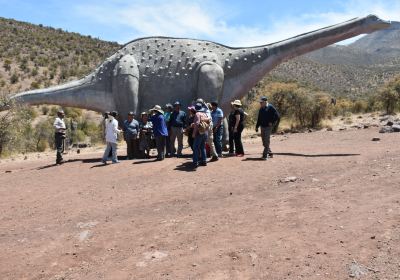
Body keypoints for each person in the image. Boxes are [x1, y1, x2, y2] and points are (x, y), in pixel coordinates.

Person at [192, 102, 210, 169]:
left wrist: (194, 133)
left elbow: (197, 123)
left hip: (199, 133)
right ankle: (204, 161)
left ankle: (195, 162)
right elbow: (208, 122)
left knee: (196, 148)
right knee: (203, 147)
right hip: (205, 132)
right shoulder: (205, 114)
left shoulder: (197, 114)